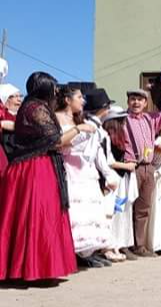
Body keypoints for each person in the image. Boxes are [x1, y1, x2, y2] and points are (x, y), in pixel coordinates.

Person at [0, 72, 82, 281]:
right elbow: (55, 141)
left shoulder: (35, 107)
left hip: (40, 165)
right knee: (38, 216)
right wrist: (78, 129)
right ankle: (32, 270)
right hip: (34, 167)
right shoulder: (35, 108)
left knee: (41, 216)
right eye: (52, 87)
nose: (56, 91)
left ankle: (40, 268)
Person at [55, 85, 120, 267]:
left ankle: (87, 252)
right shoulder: (58, 117)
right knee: (76, 212)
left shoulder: (79, 119)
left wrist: (108, 174)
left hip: (85, 169)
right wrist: (85, 129)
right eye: (78, 97)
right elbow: (64, 144)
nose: (82, 101)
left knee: (90, 211)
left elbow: (96, 149)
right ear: (67, 100)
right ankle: (74, 252)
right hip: (71, 167)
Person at [124, 82, 161, 257]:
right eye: (133, 99)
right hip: (131, 168)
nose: (136, 103)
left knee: (143, 208)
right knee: (126, 206)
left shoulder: (150, 119)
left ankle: (139, 246)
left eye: (140, 99)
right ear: (128, 102)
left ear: (145, 103)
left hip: (149, 168)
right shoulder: (122, 119)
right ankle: (125, 245)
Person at [102, 105, 138, 261]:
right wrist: (127, 165)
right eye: (121, 120)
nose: (124, 123)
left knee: (123, 212)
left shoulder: (120, 138)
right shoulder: (106, 137)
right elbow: (108, 161)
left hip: (123, 179)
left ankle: (119, 244)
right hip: (113, 179)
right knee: (113, 213)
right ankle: (109, 245)